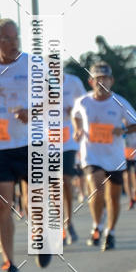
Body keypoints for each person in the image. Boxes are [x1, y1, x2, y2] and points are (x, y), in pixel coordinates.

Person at [0, 19, 51, 272]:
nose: (13, 42)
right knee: (1, 203)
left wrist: (33, 112)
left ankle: (40, 235)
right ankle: (10, 264)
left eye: (16, 36)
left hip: (31, 142)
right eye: (6, 38)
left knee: (34, 200)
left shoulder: (33, 63)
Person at [72, 62, 136, 250]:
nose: (102, 82)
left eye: (105, 78)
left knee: (113, 198)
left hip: (114, 157)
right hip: (91, 155)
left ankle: (110, 232)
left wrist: (123, 130)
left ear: (111, 81)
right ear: (91, 81)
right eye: (98, 78)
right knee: (96, 190)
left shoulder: (120, 102)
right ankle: (97, 225)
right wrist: (77, 129)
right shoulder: (83, 101)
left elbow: (134, 123)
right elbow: (76, 116)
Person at [62, 69, 86, 245]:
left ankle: (68, 221)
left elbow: (85, 106)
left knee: (65, 181)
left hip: (68, 140)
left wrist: (74, 112)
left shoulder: (74, 82)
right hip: (46, 140)